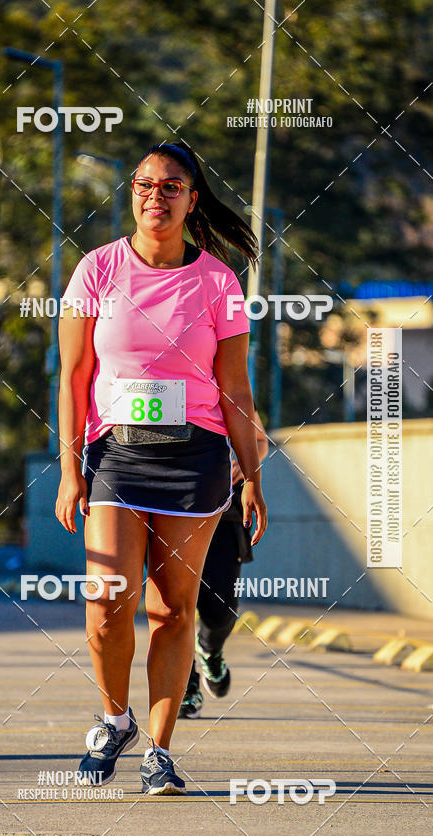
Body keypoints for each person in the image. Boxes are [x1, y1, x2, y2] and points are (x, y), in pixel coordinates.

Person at [55, 141, 267, 796]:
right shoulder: (96, 270)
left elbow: (235, 388)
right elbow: (72, 376)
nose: (156, 194)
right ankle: (115, 717)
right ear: (133, 194)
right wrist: (70, 468)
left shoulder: (219, 284)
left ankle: (160, 750)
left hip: (196, 457)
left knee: (173, 612)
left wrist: (253, 472)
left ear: (191, 199)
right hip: (116, 453)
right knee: (106, 605)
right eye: (145, 184)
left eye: (171, 185)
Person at [179, 408, 269, 718]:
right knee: (175, 607)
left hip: (222, 507)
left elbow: (258, 439)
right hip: (164, 504)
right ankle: (186, 688)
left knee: (220, 609)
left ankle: (210, 648)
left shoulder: (218, 377)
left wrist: (245, 470)